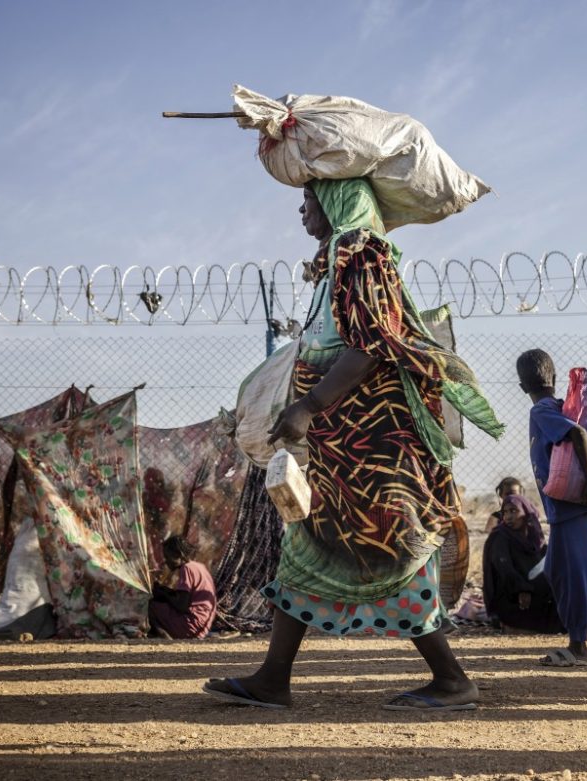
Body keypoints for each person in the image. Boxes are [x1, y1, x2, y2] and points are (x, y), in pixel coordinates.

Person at [204, 178, 504, 711]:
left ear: (338, 202)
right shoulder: (335, 261)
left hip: (374, 445)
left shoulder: (362, 254)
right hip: (341, 445)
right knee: (308, 544)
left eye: (309, 199)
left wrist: (308, 405)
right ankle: (273, 678)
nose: (301, 210)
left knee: (390, 548)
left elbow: (370, 347)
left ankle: (452, 679)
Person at [517, 348, 587, 666]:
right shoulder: (554, 407)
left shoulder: (541, 410)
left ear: (521, 385)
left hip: (568, 508)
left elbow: (578, 433)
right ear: (552, 378)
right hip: (565, 510)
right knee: (558, 571)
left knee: (574, 576)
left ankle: (577, 645)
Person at [482, 494, 563, 633]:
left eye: (514, 511)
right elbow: (504, 568)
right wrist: (522, 589)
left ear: (526, 512)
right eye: (505, 512)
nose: (508, 517)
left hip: (537, 595)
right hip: (512, 597)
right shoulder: (500, 536)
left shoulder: (535, 537)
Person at [149, 535, 217, 640]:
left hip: (191, 626)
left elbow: (182, 605)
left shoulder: (186, 569)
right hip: (203, 627)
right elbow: (187, 597)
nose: (166, 562)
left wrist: (163, 594)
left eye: (168, 557)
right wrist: (166, 591)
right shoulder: (199, 567)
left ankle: (165, 637)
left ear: (179, 555)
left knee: (152, 606)